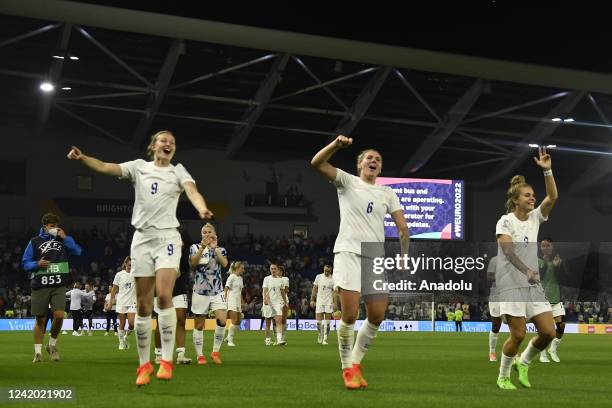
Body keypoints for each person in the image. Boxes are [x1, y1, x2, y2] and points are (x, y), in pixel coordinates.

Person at [67, 130, 213, 386]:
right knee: (144, 305)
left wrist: (201, 208)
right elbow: (104, 167)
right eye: (163, 140)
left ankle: (166, 362)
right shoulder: (138, 168)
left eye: (173, 142)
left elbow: (192, 190)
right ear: (153, 146)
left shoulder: (178, 171)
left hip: (168, 237)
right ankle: (143, 365)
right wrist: (83, 159)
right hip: (142, 239)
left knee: (165, 295)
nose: (168, 144)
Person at [311, 135, 409, 390]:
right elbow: (317, 163)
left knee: (377, 316)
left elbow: (402, 228)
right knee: (351, 314)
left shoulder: (387, 193)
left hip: (374, 257)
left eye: (378, 159)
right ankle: (347, 369)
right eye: (369, 157)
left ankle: (355, 364)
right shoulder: (347, 181)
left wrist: (404, 253)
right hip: (348, 253)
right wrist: (335, 145)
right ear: (359, 165)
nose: (374, 160)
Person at [495, 147, 558, 390]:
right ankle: (502, 375)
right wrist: (527, 271)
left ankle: (524, 361)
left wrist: (547, 170)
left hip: (532, 284)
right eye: (528, 195)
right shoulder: (505, 221)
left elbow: (552, 197)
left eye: (533, 195)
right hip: (511, 284)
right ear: (515, 200)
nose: (533, 198)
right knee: (518, 335)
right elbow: (508, 252)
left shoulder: (534, 218)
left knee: (548, 332)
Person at [22, 213, 82, 362]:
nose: (54, 228)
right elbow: (25, 262)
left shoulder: (63, 240)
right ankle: (37, 353)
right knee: (40, 319)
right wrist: (36, 264)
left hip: (59, 285)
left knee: (60, 315)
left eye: (56, 225)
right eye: (51, 226)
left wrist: (65, 238)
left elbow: (77, 251)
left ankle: (52, 345)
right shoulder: (34, 241)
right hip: (40, 285)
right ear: (45, 227)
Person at [190, 223, 228, 365]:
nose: (206, 234)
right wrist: (202, 247)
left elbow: (224, 264)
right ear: (201, 234)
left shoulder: (220, 249)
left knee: (222, 320)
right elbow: (193, 263)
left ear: (214, 234)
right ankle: (200, 355)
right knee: (199, 325)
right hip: (200, 292)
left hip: (217, 290)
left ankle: (215, 352)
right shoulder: (194, 247)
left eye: (209, 232)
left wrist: (215, 249)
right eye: (204, 232)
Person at [154, 236, 192, 365]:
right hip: (162, 291)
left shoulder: (182, 254)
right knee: (161, 323)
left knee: (181, 319)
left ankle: (181, 354)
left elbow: (185, 270)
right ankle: (159, 354)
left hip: (179, 290)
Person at [538, 238, 568, 363]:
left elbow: (564, 279)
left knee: (561, 326)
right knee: (545, 330)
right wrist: (544, 265)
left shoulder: (559, 260)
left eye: (547, 245)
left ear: (552, 247)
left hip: (556, 298)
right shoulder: (537, 261)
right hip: (542, 299)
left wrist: (557, 266)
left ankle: (553, 349)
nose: (545, 247)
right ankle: (542, 353)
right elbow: (537, 277)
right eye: (543, 246)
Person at [110, 256, 136, 350]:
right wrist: (110, 302)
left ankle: (126, 337)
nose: (130, 266)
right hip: (121, 301)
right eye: (129, 265)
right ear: (125, 264)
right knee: (122, 323)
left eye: (132, 265)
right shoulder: (119, 275)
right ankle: (121, 342)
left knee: (131, 324)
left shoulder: (135, 274)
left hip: (133, 302)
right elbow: (114, 289)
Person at [262, 262, 287, 346]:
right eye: (271, 269)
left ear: (277, 269)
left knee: (278, 320)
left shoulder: (281, 280)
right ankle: (267, 339)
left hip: (277, 303)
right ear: (270, 270)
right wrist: (266, 299)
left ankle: (279, 340)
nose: (273, 270)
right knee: (268, 323)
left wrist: (285, 302)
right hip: (268, 303)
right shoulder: (266, 279)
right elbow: (265, 290)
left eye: (274, 269)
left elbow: (282, 292)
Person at [310, 264, 336, 345]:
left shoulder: (333, 279)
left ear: (331, 270)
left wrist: (335, 302)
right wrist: (312, 300)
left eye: (328, 271)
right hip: (320, 302)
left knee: (327, 323)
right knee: (318, 322)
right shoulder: (319, 277)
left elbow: (335, 292)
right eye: (325, 270)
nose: (326, 272)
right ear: (323, 269)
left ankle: (325, 339)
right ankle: (320, 334)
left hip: (329, 302)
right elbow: (314, 289)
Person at [224, 261, 245, 347]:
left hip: (237, 301)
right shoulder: (231, 277)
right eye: (242, 268)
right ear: (237, 268)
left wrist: (242, 301)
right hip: (231, 300)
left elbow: (240, 291)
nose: (243, 270)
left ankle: (227, 338)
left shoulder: (240, 278)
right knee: (234, 319)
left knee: (238, 321)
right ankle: (230, 341)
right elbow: (226, 289)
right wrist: (224, 300)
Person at [487, 255, 503, 362]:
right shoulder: (494, 260)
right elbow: (489, 276)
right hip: (496, 296)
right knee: (496, 326)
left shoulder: (515, 259)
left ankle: (513, 352)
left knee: (514, 325)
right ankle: (492, 352)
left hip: (510, 296)